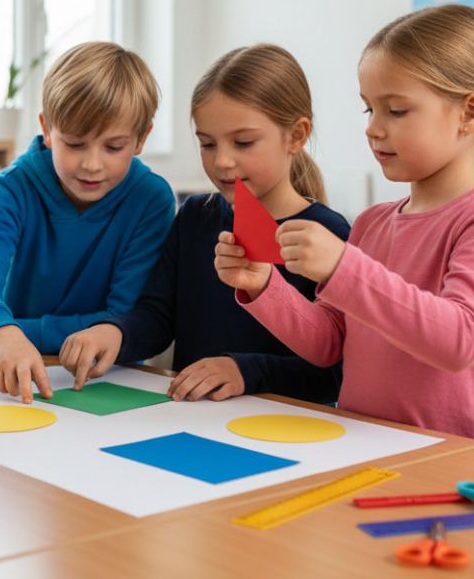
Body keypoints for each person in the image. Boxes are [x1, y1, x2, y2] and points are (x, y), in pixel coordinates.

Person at [218, 4, 474, 448]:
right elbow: (330, 344)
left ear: (471, 113)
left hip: (457, 461)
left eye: (397, 111)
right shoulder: (371, 223)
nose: (373, 129)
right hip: (364, 446)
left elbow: (460, 341)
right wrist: (265, 286)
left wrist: (343, 269)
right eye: (369, 110)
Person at [60, 44, 349, 403]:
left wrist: (245, 371)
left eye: (243, 142)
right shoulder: (196, 217)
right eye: (207, 144)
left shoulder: (329, 236)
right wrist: (112, 333)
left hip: (286, 431)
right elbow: (157, 317)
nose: (222, 161)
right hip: (194, 420)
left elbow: (333, 374)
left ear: (295, 136)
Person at [0, 41, 177, 404]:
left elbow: (122, 317)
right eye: (74, 143)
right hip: (20, 378)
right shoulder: (11, 188)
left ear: (141, 139)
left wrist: (0, 333)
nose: (92, 164)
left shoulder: (151, 199)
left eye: (113, 147)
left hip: (114, 380)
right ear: (47, 130)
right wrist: (3, 334)